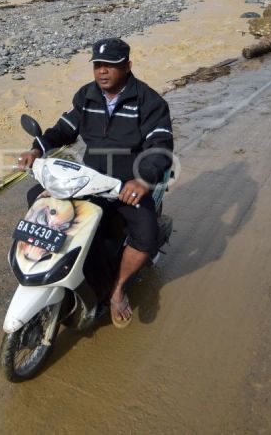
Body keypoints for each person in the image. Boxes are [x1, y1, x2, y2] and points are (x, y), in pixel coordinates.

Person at [17, 37, 173, 328]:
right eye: (98, 65)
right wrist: (37, 148)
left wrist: (142, 180)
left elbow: (161, 146)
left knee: (147, 234)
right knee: (37, 197)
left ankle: (117, 290)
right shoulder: (87, 96)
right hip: (90, 179)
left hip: (127, 183)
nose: (102, 71)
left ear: (127, 66)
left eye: (111, 65)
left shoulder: (149, 102)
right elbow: (64, 129)